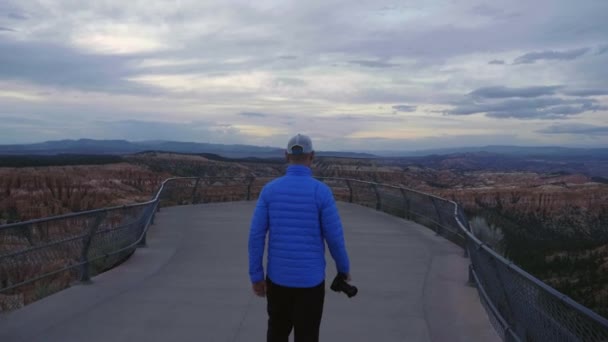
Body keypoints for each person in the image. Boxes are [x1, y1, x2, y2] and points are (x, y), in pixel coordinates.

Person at [248, 133, 352, 342]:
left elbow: (256, 236)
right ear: (312, 156)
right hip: (311, 283)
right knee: (307, 336)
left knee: (276, 333)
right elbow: (335, 238)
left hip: (278, 280)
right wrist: (343, 269)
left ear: (286, 156)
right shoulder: (321, 192)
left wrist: (256, 276)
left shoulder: (270, 190)